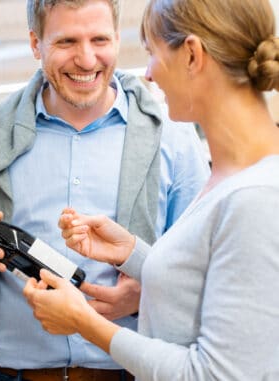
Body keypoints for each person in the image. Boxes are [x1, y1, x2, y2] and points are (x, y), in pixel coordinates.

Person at [0, 0, 210, 380]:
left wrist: (147, 296)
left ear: (116, 38)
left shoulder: (173, 139)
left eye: (100, 39)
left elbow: (201, 273)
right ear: (36, 44)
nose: (86, 59)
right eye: (66, 42)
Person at [23, 0, 279, 380]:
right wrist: (132, 254)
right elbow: (206, 287)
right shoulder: (230, 178)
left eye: (152, 53)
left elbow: (214, 375)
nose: (148, 74)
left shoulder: (257, 196)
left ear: (191, 55)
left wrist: (84, 321)